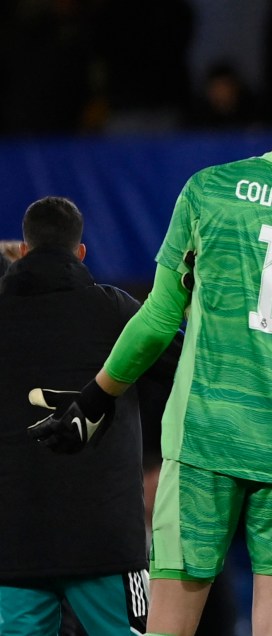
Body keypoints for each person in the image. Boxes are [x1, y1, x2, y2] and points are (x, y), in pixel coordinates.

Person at [28, 49, 272, 635]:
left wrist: (94, 398)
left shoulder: (207, 190)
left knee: (168, 627)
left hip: (204, 440)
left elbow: (159, 318)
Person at [0, 196, 178, 634]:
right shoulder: (115, 310)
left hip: (15, 542)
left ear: (24, 250)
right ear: (81, 252)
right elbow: (186, 367)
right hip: (106, 541)